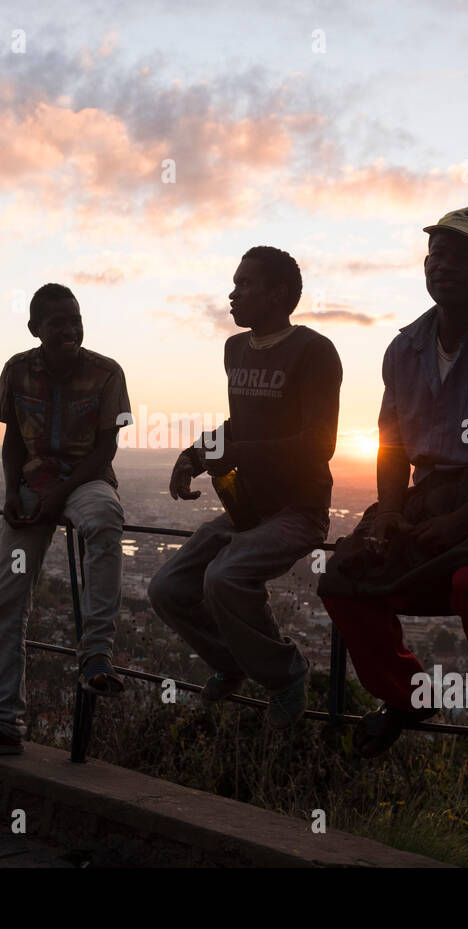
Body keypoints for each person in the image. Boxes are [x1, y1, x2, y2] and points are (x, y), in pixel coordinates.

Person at [317, 207, 468, 786]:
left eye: (459, 257)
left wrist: (461, 521)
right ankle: (408, 696)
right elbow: (391, 446)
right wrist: (392, 511)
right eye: (435, 256)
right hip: (427, 495)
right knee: (342, 579)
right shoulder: (403, 349)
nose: (442, 266)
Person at [148, 246, 342, 729]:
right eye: (234, 284)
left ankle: (286, 674)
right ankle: (231, 663)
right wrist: (195, 454)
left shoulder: (315, 351)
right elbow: (241, 423)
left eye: (244, 284)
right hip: (248, 510)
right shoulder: (235, 349)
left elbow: (321, 443)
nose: (232, 295)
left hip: (300, 510)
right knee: (166, 587)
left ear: (278, 294)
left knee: (224, 578)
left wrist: (238, 454)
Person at [0, 283, 131, 758]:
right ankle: (3, 722)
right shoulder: (16, 370)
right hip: (32, 485)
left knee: (105, 520)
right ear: (35, 327)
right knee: (7, 599)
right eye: (58, 322)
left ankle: (97, 652)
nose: (70, 329)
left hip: (87, 478)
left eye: (75, 319)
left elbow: (105, 450)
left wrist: (60, 494)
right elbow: (14, 437)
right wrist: (12, 491)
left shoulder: (107, 372)